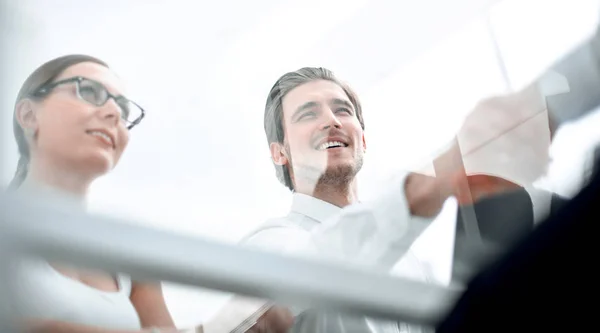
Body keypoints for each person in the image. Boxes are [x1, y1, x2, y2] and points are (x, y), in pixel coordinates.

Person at [216, 66, 547, 333]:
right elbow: (319, 266)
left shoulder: (414, 262)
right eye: (307, 114)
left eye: (342, 110)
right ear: (279, 153)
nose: (331, 121)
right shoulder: (270, 244)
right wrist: (429, 184)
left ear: (363, 137)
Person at [3, 54, 226, 333]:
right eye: (88, 90)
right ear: (28, 114)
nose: (114, 114)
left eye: (123, 108)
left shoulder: (126, 253)